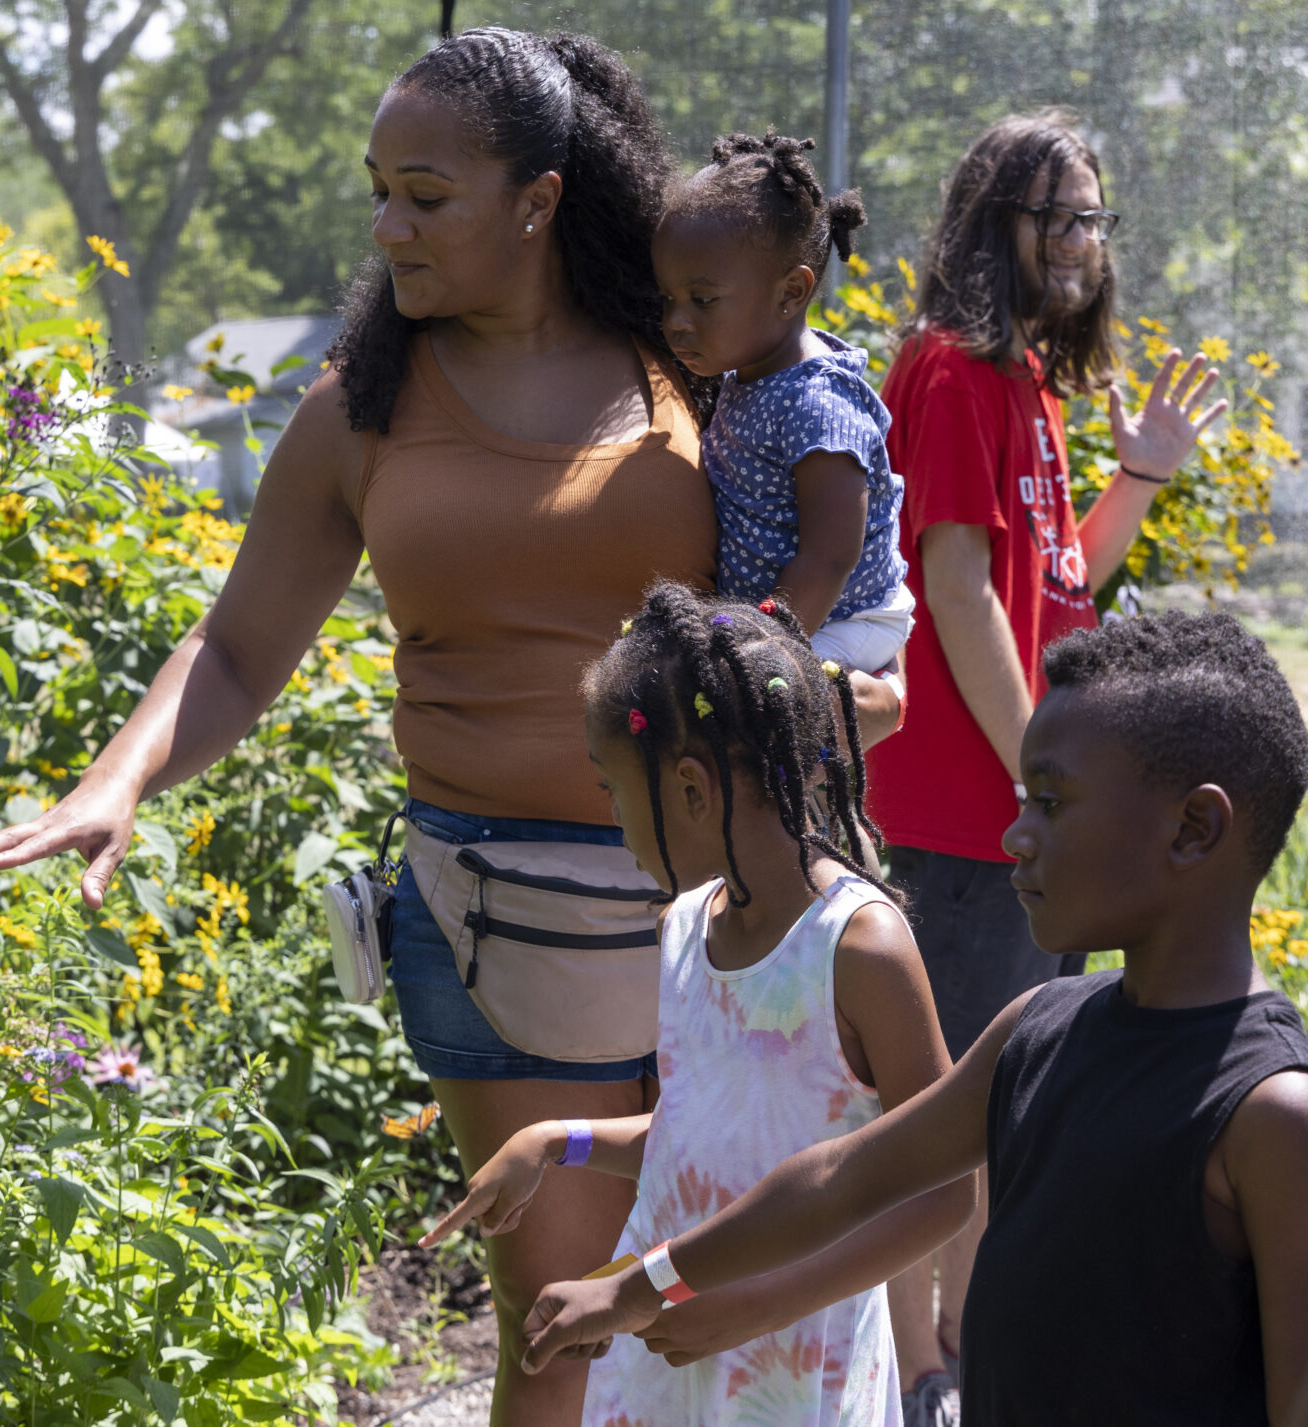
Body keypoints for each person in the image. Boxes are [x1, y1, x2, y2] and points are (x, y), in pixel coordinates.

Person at [0, 28, 898, 1423]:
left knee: (726, 1302)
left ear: (541, 198)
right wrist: (117, 780)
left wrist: (847, 688)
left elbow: (835, 549)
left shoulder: (692, 364)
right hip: (503, 912)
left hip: (735, 894)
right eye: (378, 189)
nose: (389, 225)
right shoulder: (365, 406)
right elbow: (234, 640)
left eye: (426, 194)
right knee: (563, 1322)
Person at [516, 611, 1308, 1427]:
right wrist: (633, 1286)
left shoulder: (1271, 1118)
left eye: (1051, 801)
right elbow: (838, 1178)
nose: (1015, 835)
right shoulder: (1034, 1031)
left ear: (1193, 828)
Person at [864, 110, 1227, 1418]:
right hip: (963, 821)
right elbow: (956, 589)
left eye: (1092, 221)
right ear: (992, 221)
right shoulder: (948, 372)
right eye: (1058, 217)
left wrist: (1135, 476)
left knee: (1000, 1103)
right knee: (944, 1105)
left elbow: (1053, 581)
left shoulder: (1021, 383)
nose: (1082, 244)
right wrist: (1044, 777)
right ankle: (917, 1374)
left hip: (1012, 818)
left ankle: (956, 1351)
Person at [420, 584, 971, 1426]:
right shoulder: (684, 926)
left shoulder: (859, 947)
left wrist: (762, 1304)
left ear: (689, 788)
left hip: (792, 1371)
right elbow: (705, 1137)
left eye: (613, 787)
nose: (612, 814)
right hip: (671, 1356)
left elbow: (942, 1191)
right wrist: (553, 1142)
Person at [655, 132, 913, 671]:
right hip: (791, 618)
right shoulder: (749, 373)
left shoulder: (816, 402)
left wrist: (762, 646)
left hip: (843, 621)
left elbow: (831, 553)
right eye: (669, 298)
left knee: (755, 712)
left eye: (703, 300)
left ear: (791, 293)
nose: (676, 321)